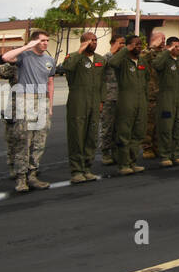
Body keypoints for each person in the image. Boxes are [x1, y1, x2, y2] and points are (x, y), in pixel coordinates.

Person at [1, 29, 56, 192]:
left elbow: (50, 82)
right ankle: (21, 178)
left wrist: (50, 106)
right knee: (23, 140)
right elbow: (6, 57)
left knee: (39, 141)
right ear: (34, 42)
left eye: (47, 40)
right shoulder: (24, 56)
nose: (45, 43)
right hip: (24, 99)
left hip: (42, 100)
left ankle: (33, 175)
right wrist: (28, 46)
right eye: (42, 40)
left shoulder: (49, 60)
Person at [58, 31, 107, 183]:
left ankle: (87, 168)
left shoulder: (100, 59)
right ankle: (76, 170)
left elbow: (103, 82)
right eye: (90, 40)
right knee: (77, 136)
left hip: (94, 101)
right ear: (83, 42)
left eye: (95, 40)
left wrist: (102, 101)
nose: (94, 42)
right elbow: (66, 67)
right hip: (78, 101)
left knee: (91, 136)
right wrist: (80, 51)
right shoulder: (73, 57)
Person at [108, 34, 150, 175]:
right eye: (135, 44)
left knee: (138, 133)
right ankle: (123, 164)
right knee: (124, 133)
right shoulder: (123, 61)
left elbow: (146, 80)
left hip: (141, 101)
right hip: (126, 100)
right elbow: (112, 63)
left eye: (140, 44)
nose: (138, 47)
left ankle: (132, 162)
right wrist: (126, 49)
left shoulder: (142, 60)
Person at [150, 35, 179, 167]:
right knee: (166, 127)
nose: (178, 49)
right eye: (175, 46)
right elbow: (156, 65)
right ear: (168, 47)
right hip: (166, 97)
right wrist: (167, 52)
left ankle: (176, 154)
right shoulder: (164, 60)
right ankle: (165, 155)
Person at [98, 33, 125, 165]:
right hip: (109, 97)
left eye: (124, 43)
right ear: (112, 43)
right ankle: (105, 152)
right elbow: (100, 72)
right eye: (120, 43)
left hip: (121, 97)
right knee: (107, 126)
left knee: (119, 127)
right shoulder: (106, 58)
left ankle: (116, 152)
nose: (122, 46)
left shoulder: (124, 58)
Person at [141, 29, 164, 159]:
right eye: (161, 39)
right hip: (150, 94)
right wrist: (153, 46)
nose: (163, 42)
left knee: (160, 122)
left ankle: (157, 146)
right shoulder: (146, 53)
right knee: (149, 123)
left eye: (164, 40)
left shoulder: (165, 53)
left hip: (163, 93)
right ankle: (147, 147)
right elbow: (142, 59)